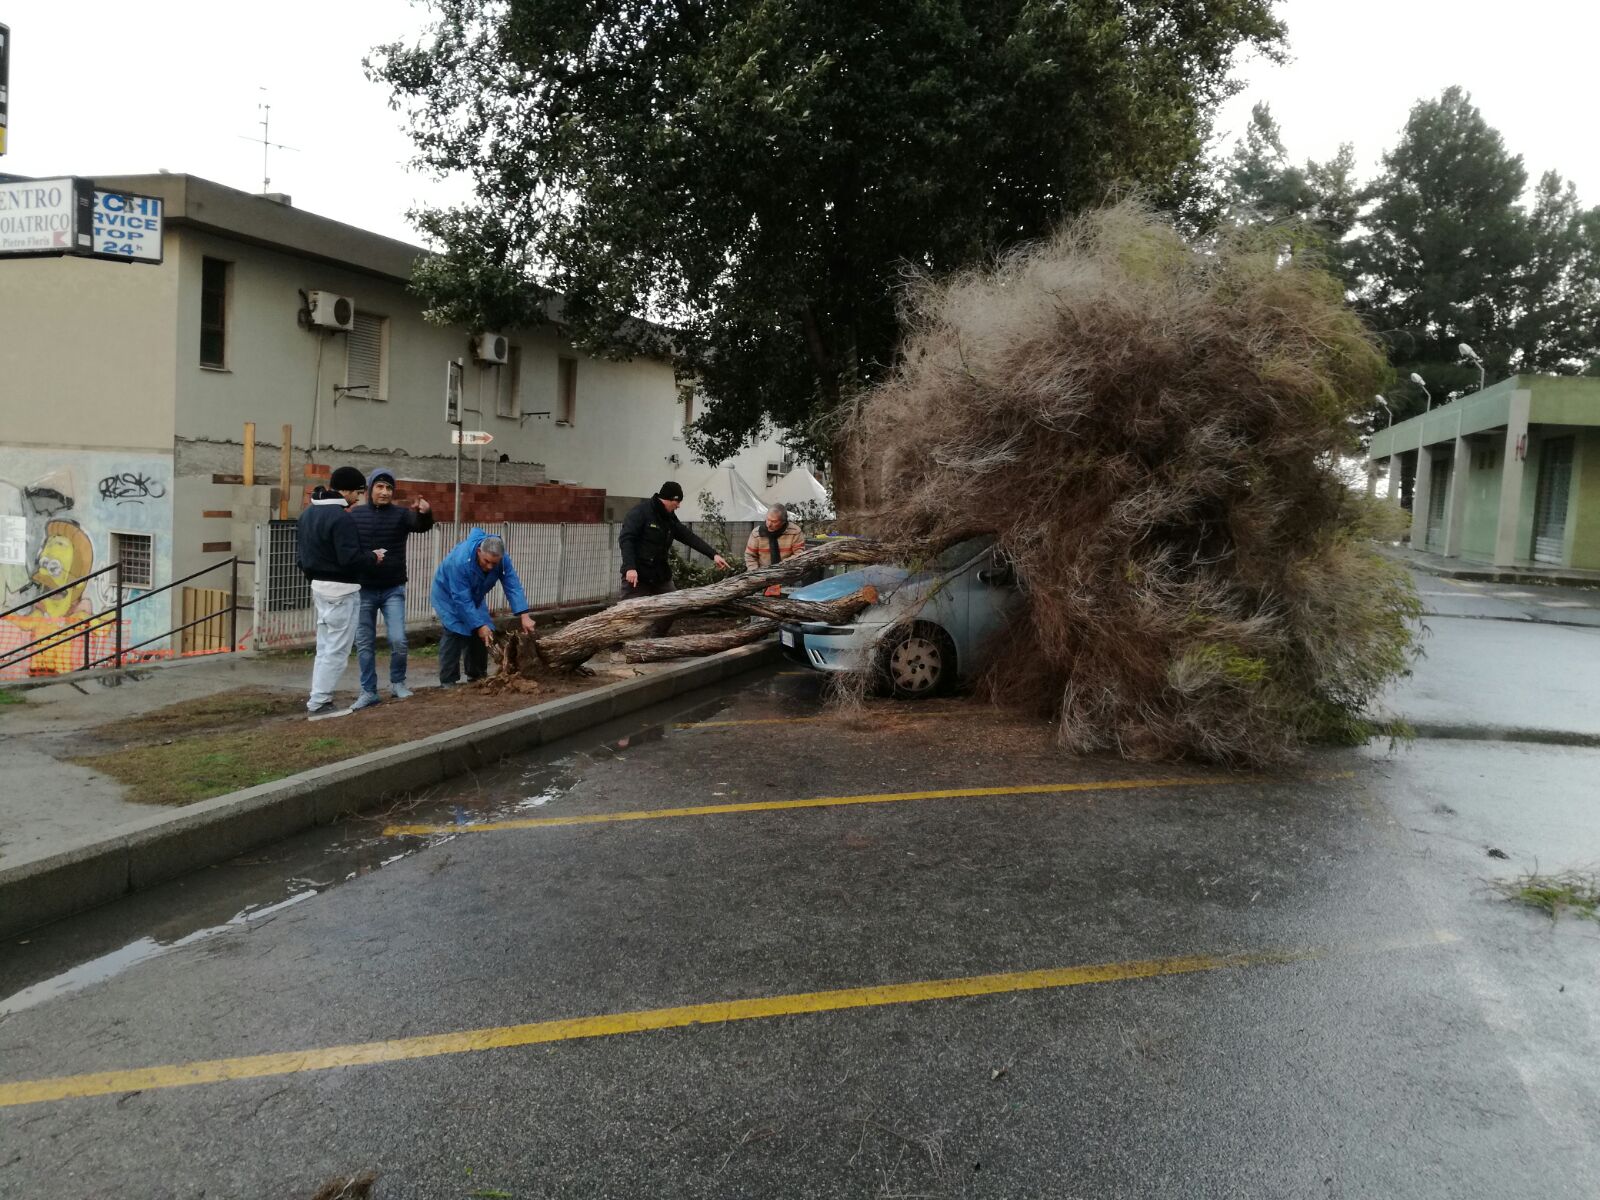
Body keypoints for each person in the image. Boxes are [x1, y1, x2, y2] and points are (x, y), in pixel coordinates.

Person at [297, 466, 384, 718]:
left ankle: (318, 697)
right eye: (357, 492)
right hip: (342, 589)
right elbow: (349, 559)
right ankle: (320, 703)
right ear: (345, 490)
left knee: (324, 647)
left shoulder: (308, 514)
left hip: (318, 587)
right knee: (336, 649)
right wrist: (373, 557)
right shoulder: (341, 517)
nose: (358, 498)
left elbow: (300, 557)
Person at [347, 467, 435, 709]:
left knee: (398, 639)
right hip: (363, 589)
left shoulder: (400, 515)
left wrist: (426, 513)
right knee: (364, 642)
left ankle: (398, 683)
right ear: (370, 489)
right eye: (380, 487)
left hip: (392, 588)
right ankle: (368, 691)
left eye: (388, 488)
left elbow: (420, 525)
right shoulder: (355, 515)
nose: (384, 492)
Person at [617, 481, 730, 633]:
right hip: (638, 574)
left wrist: (713, 554)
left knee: (674, 606)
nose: (679, 506)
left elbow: (688, 536)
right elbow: (626, 540)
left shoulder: (669, 518)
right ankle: (615, 645)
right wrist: (630, 567)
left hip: (660, 574)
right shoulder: (640, 513)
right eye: (677, 502)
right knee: (627, 613)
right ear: (669, 499)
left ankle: (654, 638)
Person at [430, 528, 537, 685]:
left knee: (484, 632)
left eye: (494, 563)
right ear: (479, 551)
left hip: (473, 595)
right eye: (486, 562)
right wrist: (478, 624)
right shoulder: (460, 561)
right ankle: (448, 680)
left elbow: (512, 584)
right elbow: (461, 599)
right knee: (455, 630)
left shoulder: (502, 559)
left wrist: (524, 615)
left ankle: (477, 675)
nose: (490, 567)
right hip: (448, 595)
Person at [743, 503, 807, 596]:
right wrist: (756, 574)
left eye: (774, 521)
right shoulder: (756, 533)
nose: (769, 524)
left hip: (788, 576)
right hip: (762, 577)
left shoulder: (795, 532)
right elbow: (750, 556)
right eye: (768, 519)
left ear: (783, 522)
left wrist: (780, 569)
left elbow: (799, 555)